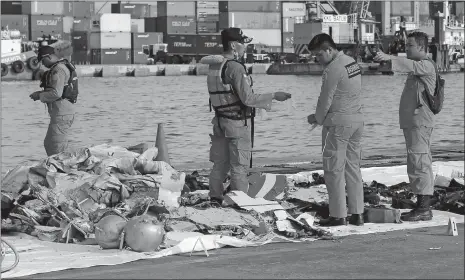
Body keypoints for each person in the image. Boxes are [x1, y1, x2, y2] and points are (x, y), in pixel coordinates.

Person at [200, 27, 292, 206]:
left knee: (220, 163)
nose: (245, 47)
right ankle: (239, 202)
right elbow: (248, 98)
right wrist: (274, 96)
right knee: (239, 166)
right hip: (237, 125)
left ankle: (215, 198)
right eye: (243, 44)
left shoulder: (215, 66)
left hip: (219, 122)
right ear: (234, 45)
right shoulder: (235, 68)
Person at [374, 31, 437, 222]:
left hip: (419, 124)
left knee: (420, 162)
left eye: (409, 45)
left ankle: (424, 208)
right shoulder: (417, 69)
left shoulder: (425, 65)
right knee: (416, 162)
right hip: (413, 124)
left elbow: (407, 64)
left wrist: (389, 57)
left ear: (421, 48)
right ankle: (421, 204)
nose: (406, 48)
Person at [306, 33, 365, 227]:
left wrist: (318, 119)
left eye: (318, 55)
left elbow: (325, 100)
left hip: (338, 124)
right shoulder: (352, 63)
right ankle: (357, 214)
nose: (317, 59)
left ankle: (338, 215)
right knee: (353, 168)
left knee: (333, 169)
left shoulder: (332, 69)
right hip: (356, 121)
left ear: (328, 50)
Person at [29, 45, 78, 156]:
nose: (42, 64)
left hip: (62, 113)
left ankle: (62, 171)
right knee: (53, 144)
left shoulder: (58, 70)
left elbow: (56, 93)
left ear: (49, 56)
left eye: (43, 60)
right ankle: (63, 168)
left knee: (54, 147)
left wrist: (39, 95)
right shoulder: (61, 67)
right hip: (63, 112)